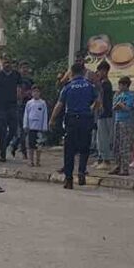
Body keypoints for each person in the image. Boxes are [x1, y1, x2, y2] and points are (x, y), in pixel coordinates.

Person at [49, 62, 98, 190]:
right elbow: (97, 101)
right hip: (86, 119)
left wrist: (52, 119)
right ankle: (81, 171)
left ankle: (69, 179)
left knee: (69, 150)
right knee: (84, 148)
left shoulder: (68, 87)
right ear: (83, 72)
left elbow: (59, 105)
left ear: (72, 72)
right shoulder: (89, 85)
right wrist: (91, 109)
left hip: (71, 120)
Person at [0, 57, 21, 162]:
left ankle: (5, 144)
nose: (7, 65)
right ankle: (2, 154)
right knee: (2, 130)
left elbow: (19, 86)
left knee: (13, 129)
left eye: (9, 63)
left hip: (13, 105)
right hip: (1, 106)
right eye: (5, 63)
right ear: (2, 64)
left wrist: (19, 93)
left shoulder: (16, 75)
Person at [111, 76, 134, 176]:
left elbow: (128, 107)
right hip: (117, 120)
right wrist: (117, 104)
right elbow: (114, 106)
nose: (119, 87)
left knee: (124, 145)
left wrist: (121, 105)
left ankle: (125, 168)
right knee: (116, 145)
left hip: (126, 121)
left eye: (121, 85)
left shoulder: (130, 95)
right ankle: (117, 165)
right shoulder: (118, 95)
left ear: (126, 85)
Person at [93, 61, 115, 169]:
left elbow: (100, 99)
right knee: (99, 138)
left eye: (100, 71)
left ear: (105, 71)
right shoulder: (101, 83)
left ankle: (106, 160)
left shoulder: (106, 84)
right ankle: (101, 158)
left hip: (105, 114)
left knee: (104, 138)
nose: (98, 73)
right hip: (100, 114)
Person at [11, 62, 35, 159]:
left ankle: (15, 145)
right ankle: (24, 151)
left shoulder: (30, 80)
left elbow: (35, 91)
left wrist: (31, 93)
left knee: (27, 129)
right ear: (20, 69)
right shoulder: (17, 80)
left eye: (26, 68)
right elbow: (17, 94)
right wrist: (24, 94)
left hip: (30, 106)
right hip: (20, 106)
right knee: (22, 129)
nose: (25, 70)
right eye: (23, 68)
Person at [22, 84, 49, 167]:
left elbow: (45, 115)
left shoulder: (43, 103)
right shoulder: (29, 103)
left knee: (39, 145)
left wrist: (44, 127)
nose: (36, 93)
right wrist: (25, 125)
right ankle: (31, 160)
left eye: (37, 91)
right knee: (31, 145)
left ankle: (38, 160)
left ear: (40, 93)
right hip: (31, 127)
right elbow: (26, 114)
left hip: (39, 127)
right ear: (31, 93)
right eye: (34, 91)